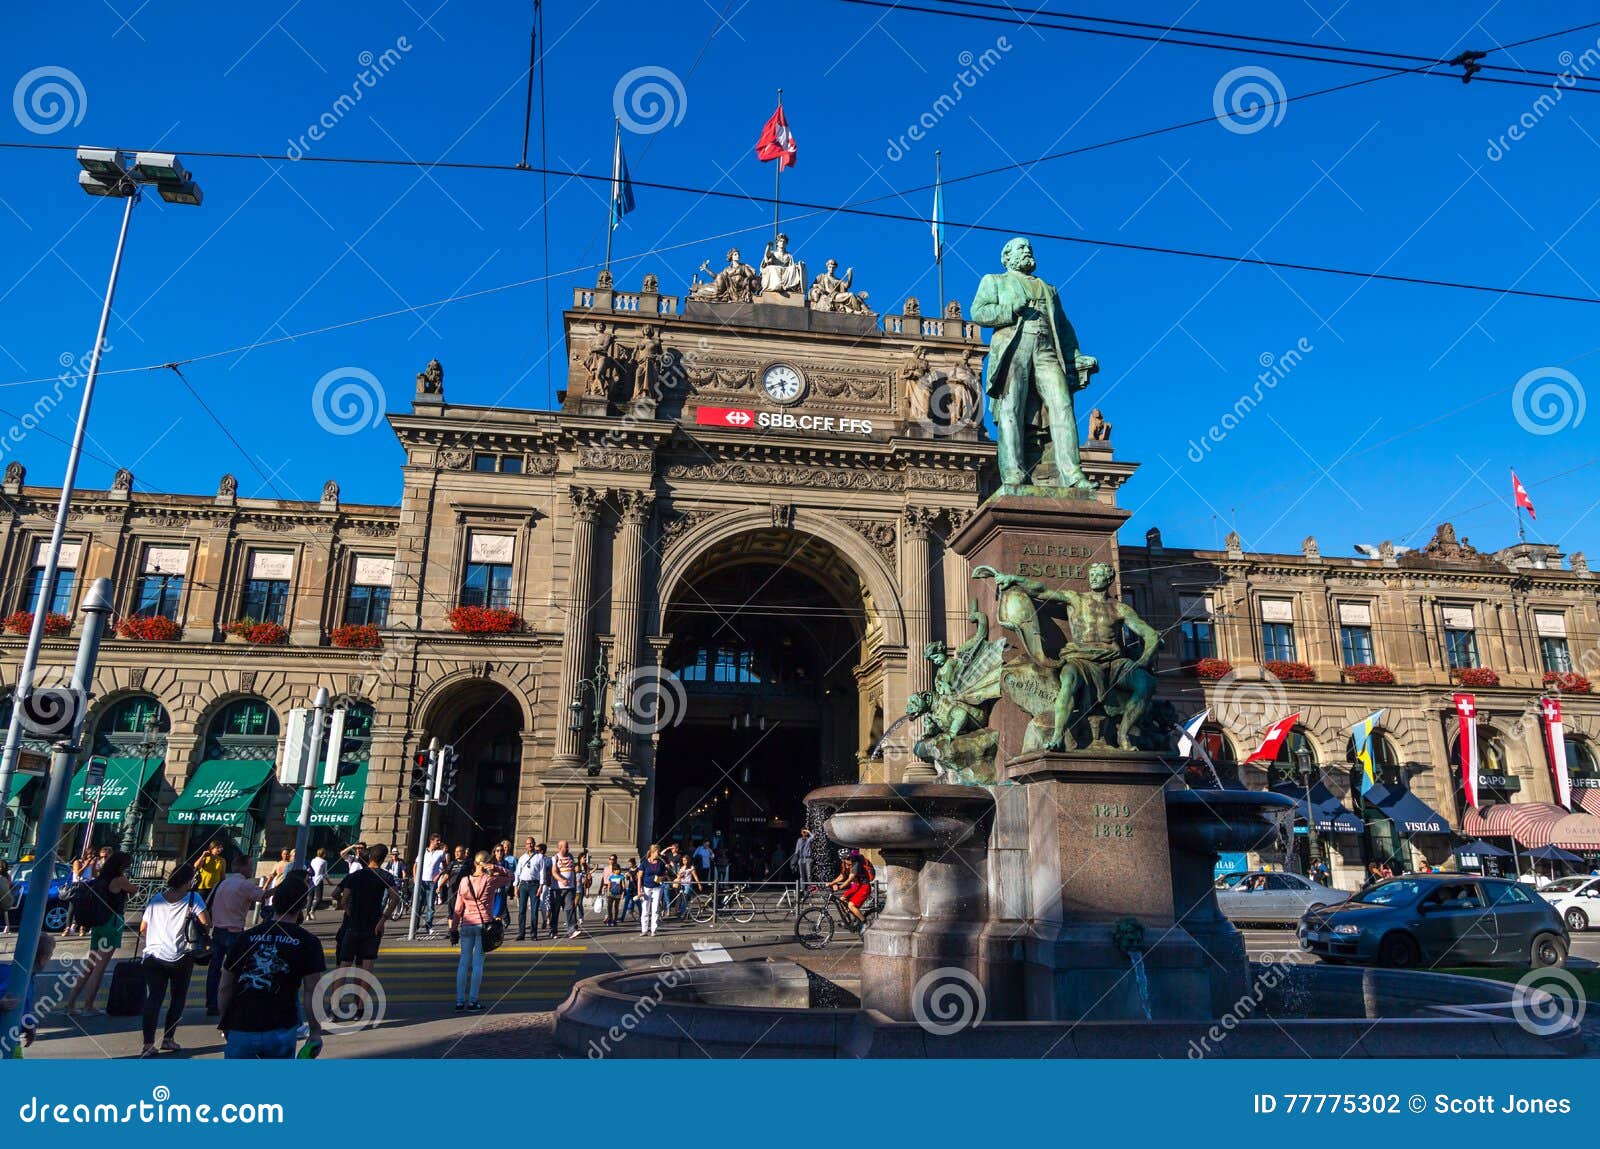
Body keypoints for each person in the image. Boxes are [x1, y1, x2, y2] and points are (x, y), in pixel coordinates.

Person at [218, 869, 325, 1058]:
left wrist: (226, 1022)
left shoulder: (246, 938)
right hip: (281, 1027)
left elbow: (225, 986)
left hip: (241, 1025)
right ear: (302, 905)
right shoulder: (308, 942)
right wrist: (315, 1032)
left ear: (274, 902)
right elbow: (312, 992)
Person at [138, 863, 209, 1057]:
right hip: (180, 956)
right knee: (177, 998)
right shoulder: (194, 899)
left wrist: (153, 939)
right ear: (188, 880)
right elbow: (206, 923)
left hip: (153, 955)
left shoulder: (156, 899)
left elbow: (143, 928)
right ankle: (168, 1038)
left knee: (154, 999)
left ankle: (147, 1043)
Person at [62, 850, 136, 1015]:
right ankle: (88, 1005)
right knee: (99, 968)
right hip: (112, 922)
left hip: (98, 922)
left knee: (89, 965)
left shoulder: (100, 879)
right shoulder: (120, 879)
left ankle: (70, 1004)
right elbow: (134, 890)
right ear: (122, 866)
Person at [205, 853, 266, 1017]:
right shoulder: (244, 885)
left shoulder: (221, 884)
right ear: (243, 867)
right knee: (236, 970)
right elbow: (263, 895)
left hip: (217, 931)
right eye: (250, 865)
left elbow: (207, 905)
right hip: (235, 933)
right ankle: (232, 1001)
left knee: (214, 970)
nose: (252, 868)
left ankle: (212, 1004)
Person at [451, 850, 512, 1012]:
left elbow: (458, 909)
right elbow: (510, 877)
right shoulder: (490, 880)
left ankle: (459, 1001)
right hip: (483, 926)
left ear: (474, 863)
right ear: (487, 863)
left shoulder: (464, 881)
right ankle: (473, 1001)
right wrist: (497, 868)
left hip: (466, 925)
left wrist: (453, 929)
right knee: (478, 963)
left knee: (463, 963)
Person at [334, 843, 394, 972]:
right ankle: (359, 993)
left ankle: (337, 992)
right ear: (383, 859)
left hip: (352, 924)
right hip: (373, 925)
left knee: (343, 965)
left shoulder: (353, 876)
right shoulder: (386, 876)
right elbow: (395, 898)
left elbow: (341, 898)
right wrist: (383, 919)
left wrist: (349, 910)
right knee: (365, 967)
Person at [0, 932, 55, 1053]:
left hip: (12, 1040)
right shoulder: (19, 979)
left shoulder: (26, 977)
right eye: (50, 957)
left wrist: (28, 1024)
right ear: (43, 959)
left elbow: (22, 1008)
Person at [514, 838, 547, 941]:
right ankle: (521, 933)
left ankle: (533, 934)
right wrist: (515, 886)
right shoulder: (522, 858)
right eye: (528, 843)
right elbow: (517, 873)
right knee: (521, 910)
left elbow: (542, 872)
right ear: (526, 845)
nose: (530, 845)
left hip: (534, 885)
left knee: (534, 911)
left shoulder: (539, 857)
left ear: (534, 844)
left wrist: (541, 886)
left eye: (532, 843)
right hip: (523, 885)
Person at [830, 851, 874, 927]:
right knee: (842, 899)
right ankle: (849, 921)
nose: (849, 859)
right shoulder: (844, 864)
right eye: (846, 858)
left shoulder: (856, 864)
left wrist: (839, 887)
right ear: (842, 859)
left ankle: (865, 923)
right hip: (856, 886)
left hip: (864, 886)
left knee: (851, 905)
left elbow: (849, 879)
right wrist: (831, 883)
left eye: (849, 857)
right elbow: (842, 876)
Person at [548, 841, 579, 939]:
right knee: (555, 911)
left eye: (568, 847)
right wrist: (562, 880)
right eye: (566, 847)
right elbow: (554, 872)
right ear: (560, 848)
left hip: (569, 888)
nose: (568, 848)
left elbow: (573, 871)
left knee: (570, 909)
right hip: (557, 889)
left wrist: (574, 884)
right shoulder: (555, 858)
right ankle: (553, 931)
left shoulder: (571, 857)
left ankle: (572, 930)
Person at [419, 835, 448, 935]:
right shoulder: (422, 851)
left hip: (432, 882)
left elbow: (446, 867)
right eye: (437, 840)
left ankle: (428, 926)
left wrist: (438, 875)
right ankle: (415, 926)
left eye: (439, 840)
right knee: (419, 904)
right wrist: (415, 877)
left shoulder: (441, 853)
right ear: (431, 841)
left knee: (430, 906)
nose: (439, 842)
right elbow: (416, 865)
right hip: (421, 881)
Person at [637, 845, 666, 937]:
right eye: (658, 852)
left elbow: (664, 875)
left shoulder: (661, 863)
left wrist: (660, 878)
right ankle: (644, 930)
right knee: (645, 909)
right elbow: (639, 877)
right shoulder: (644, 863)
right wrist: (639, 890)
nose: (659, 854)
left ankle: (654, 930)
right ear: (653, 852)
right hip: (646, 888)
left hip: (657, 887)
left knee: (655, 909)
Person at [195, 841, 227, 906]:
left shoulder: (222, 860)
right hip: (203, 887)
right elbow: (196, 866)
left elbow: (222, 875)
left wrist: (223, 887)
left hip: (215, 888)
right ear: (212, 848)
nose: (220, 849)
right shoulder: (205, 858)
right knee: (200, 906)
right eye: (217, 848)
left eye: (221, 848)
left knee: (211, 907)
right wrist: (203, 855)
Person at [674, 854, 699, 920]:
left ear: (688, 860)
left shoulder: (691, 867)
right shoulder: (681, 867)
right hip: (681, 884)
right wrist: (679, 875)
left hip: (688, 884)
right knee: (685, 899)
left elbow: (695, 876)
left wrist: (699, 884)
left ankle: (682, 913)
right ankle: (687, 913)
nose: (684, 861)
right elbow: (678, 876)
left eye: (685, 860)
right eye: (683, 860)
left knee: (685, 898)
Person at [603, 855, 626, 926]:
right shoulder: (611, 877)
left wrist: (623, 894)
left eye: (618, 869)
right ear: (613, 871)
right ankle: (610, 919)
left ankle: (615, 920)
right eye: (616, 870)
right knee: (609, 907)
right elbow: (609, 884)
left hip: (618, 894)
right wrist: (608, 892)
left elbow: (624, 886)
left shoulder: (622, 876)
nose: (618, 871)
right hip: (611, 893)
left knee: (616, 907)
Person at [307, 848, 329, 922]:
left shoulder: (313, 860)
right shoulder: (324, 861)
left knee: (310, 898)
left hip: (311, 881)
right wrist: (329, 882)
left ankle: (307, 915)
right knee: (319, 899)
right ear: (323, 854)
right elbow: (325, 873)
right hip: (319, 881)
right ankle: (312, 911)